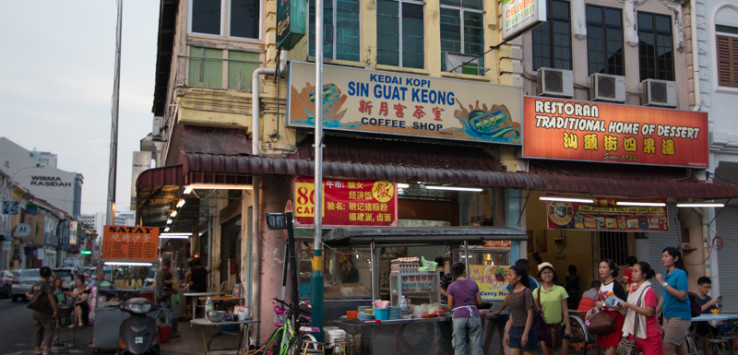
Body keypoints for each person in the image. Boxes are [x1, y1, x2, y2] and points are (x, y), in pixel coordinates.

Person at [618, 261, 663, 355]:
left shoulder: (648, 291)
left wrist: (629, 305)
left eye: (635, 271)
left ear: (644, 274)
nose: (632, 273)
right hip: (634, 331)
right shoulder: (633, 288)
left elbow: (649, 312)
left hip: (649, 333)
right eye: (632, 271)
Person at [655, 247, 691, 355]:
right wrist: (656, 311)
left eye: (666, 256)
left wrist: (663, 283)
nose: (663, 259)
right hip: (667, 315)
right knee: (680, 348)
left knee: (667, 347)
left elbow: (682, 295)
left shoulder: (680, 274)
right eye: (662, 256)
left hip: (679, 315)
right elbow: (664, 296)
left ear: (675, 258)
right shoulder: (666, 274)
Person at [533, 262, 571, 355]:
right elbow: (535, 311)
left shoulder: (560, 290)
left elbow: (565, 309)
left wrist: (568, 327)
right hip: (544, 327)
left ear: (553, 274)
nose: (547, 275)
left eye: (549, 272)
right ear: (540, 275)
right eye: (544, 273)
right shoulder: (536, 292)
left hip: (560, 325)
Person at [446, 262, 483, 355]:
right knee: (476, 346)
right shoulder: (473, 284)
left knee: (459, 346)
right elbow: (480, 302)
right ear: (464, 271)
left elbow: (450, 306)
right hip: (474, 315)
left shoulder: (451, 286)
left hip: (459, 317)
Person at [591, 258, 627, 355]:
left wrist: (603, 304)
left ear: (611, 270)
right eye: (600, 267)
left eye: (604, 267)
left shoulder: (616, 285)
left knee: (611, 348)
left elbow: (624, 305)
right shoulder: (602, 285)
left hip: (615, 319)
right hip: (604, 319)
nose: (601, 270)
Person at [505, 264, 538, 355]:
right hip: (514, 330)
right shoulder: (511, 292)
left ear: (519, 277)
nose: (508, 278)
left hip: (527, 330)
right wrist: (508, 332)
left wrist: (525, 334)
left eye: (511, 275)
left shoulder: (526, 292)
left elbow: (530, 314)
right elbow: (512, 313)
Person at [25, 266, 57, 355]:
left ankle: (37, 350)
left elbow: (27, 293)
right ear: (49, 275)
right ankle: (46, 351)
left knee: (37, 330)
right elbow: (50, 298)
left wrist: (34, 297)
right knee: (49, 330)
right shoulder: (46, 285)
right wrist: (55, 310)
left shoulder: (36, 284)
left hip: (36, 311)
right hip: (44, 311)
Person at [155, 257, 180, 337]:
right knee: (169, 312)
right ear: (169, 265)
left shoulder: (158, 272)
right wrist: (174, 291)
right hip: (165, 296)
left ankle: (157, 324)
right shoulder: (167, 273)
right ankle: (167, 330)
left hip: (159, 295)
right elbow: (168, 286)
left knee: (161, 311)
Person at [693, 276, 721, 343]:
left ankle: (716, 351)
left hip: (705, 324)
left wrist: (719, 305)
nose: (707, 289)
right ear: (699, 286)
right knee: (707, 334)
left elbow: (716, 312)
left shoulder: (708, 298)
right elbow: (697, 310)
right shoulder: (694, 298)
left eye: (709, 287)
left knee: (719, 333)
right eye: (705, 287)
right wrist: (709, 303)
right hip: (695, 325)